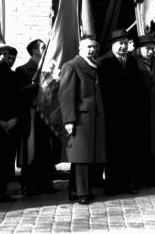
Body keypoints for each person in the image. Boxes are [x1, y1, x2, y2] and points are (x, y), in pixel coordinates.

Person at [59, 35, 106, 205]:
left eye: (94, 47)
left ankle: (74, 189)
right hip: (80, 118)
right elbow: (66, 95)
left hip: (94, 117)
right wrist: (69, 120)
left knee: (85, 156)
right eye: (88, 47)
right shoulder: (72, 66)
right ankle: (83, 193)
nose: (92, 50)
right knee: (82, 157)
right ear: (80, 49)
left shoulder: (94, 65)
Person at [98, 29, 142, 195]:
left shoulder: (132, 61)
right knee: (113, 151)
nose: (123, 47)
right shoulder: (104, 62)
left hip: (130, 115)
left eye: (125, 43)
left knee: (129, 150)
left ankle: (128, 183)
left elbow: (137, 86)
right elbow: (103, 91)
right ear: (112, 45)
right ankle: (112, 184)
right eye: (120, 44)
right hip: (112, 114)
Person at [16, 39, 60, 196]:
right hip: (32, 116)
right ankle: (28, 186)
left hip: (48, 115)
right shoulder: (22, 70)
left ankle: (46, 184)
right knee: (31, 151)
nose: (46, 49)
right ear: (35, 51)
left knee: (46, 151)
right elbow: (19, 94)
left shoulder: (48, 69)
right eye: (43, 47)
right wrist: (36, 85)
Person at [0, 43, 22, 203]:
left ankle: (1, 190)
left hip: (12, 122)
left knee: (7, 159)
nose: (3, 57)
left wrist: (14, 118)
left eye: (5, 54)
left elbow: (17, 99)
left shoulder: (12, 75)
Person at [134, 34, 155, 186]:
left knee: (154, 144)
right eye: (147, 49)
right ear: (139, 49)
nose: (150, 51)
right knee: (141, 144)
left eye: (152, 49)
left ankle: (153, 177)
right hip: (141, 110)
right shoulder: (134, 63)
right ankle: (141, 177)